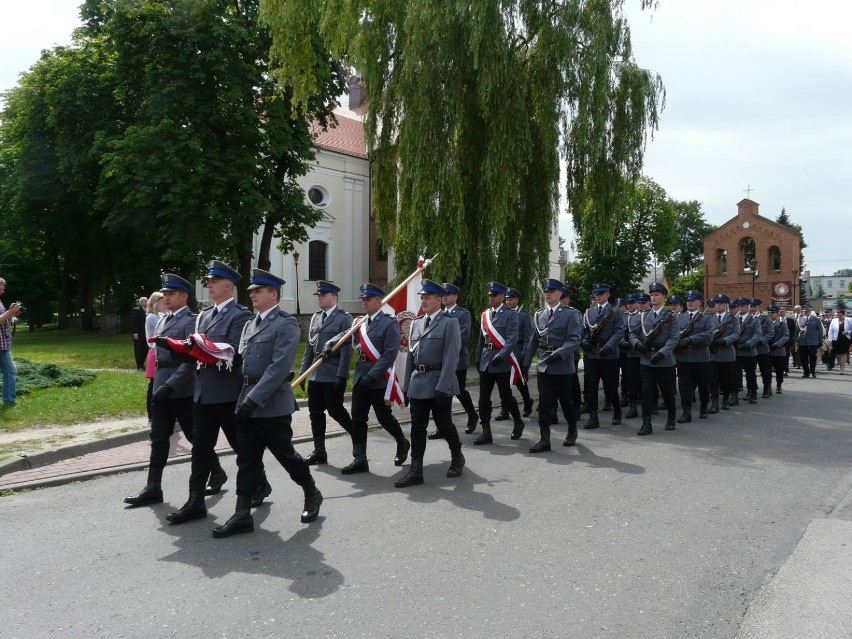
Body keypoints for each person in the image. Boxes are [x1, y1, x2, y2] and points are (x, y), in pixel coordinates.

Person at [213, 269, 322, 538]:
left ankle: (311, 491)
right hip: (246, 398)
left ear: (273, 294)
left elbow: (278, 367)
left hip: (271, 403)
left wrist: (254, 398)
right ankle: (241, 515)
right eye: (251, 291)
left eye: (258, 291)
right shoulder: (251, 324)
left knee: (286, 455)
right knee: (247, 459)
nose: (252, 295)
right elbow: (242, 361)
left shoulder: (285, 323)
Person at [164, 262, 257, 525]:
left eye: (214, 281)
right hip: (203, 391)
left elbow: (235, 352)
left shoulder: (240, 315)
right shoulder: (203, 316)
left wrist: (203, 348)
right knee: (200, 449)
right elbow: (195, 349)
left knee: (241, 447)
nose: (209, 285)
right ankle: (195, 502)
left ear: (228, 285)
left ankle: (259, 484)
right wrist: (175, 347)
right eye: (209, 281)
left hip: (227, 392)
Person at [124, 274, 197, 507]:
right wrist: (159, 386)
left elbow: (190, 361)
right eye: (164, 294)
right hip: (161, 385)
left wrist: (170, 385)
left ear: (184, 296)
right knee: (158, 438)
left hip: (181, 389)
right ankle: (153, 487)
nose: (166, 297)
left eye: (171, 294)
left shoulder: (190, 321)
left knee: (195, 436)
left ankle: (216, 473)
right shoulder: (162, 319)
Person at [332, 283, 410, 473]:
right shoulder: (360, 321)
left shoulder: (389, 323)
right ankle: (360, 458)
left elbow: (389, 354)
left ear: (378, 301)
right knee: (358, 419)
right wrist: (330, 343)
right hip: (360, 376)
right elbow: (345, 335)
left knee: (384, 417)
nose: (364, 303)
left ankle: (402, 442)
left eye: (368, 299)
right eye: (363, 299)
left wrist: (372, 376)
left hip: (379, 379)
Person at [396, 280, 464, 487]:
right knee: (417, 427)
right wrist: (406, 386)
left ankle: (457, 457)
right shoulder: (416, 323)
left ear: (438, 299)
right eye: (422, 297)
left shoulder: (449, 322)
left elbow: (452, 356)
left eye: (427, 297)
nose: (423, 301)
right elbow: (410, 357)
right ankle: (416, 469)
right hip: (418, 383)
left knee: (444, 424)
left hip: (439, 383)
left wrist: (443, 387)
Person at [299, 281, 359, 470]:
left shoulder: (344, 318)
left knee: (336, 411)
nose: (320, 298)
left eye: (323, 295)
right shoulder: (316, 318)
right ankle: (319, 451)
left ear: (334, 298)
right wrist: (303, 372)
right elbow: (310, 346)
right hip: (316, 375)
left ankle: (358, 442)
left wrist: (342, 376)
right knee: (315, 413)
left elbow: (347, 349)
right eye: (319, 295)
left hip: (332, 374)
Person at [522, 279, 582, 451]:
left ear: (560, 293)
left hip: (562, 365)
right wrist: (526, 364)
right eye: (546, 291)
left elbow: (574, 339)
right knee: (545, 403)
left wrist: (558, 354)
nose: (547, 293)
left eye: (552, 290)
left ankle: (572, 430)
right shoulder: (539, 314)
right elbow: (534, 341)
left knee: (566, 402)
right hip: (544, 365)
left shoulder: (570, 314)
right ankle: (544, 439)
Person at [473, 281, 523, 444]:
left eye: (495, 295)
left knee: (506, 397)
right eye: (490, 296)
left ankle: (518, 421)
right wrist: (478, 357)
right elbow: (482, 339)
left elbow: (511, 339)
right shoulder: (485, 315)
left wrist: (501, 356)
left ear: (502, 297)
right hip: (486, 362)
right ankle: (486, 431)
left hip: (501, 363)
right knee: (483, 399)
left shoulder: (511, 315)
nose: (491, 298)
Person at [427, 283, 479, 437]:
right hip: (440, 362)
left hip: (457, 360)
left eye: (448, 294)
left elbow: (462, 338)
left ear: (455, 297)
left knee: (460, 391)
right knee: (442, 393)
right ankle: (443, 425)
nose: (444, 297)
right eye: (443, 294)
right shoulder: (438, 314)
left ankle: (472, 414)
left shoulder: (463, 314)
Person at [629, 282, 679, 435]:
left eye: (657, 294)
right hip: (646, 359)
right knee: (646, 392)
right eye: (652, 295)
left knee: (667, 391)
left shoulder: (670, 316)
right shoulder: (643, 315)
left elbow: (674, 338)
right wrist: (638, 345)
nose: (654, 297)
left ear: (664, 297)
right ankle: (646, 424)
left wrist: (662, 353)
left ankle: (671, 418)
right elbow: (632, 334)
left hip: (664, 360)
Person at [581, 284, 624, 429]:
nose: (598, 297)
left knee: (610, 387)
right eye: (596, 294)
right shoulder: (589, 311)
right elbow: (585, 330)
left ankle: (617, 411)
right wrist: (584, 342)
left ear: (607, 295)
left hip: (608, 355)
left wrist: (609, 346)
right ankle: (593, 417)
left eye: (601, 294)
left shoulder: (615, 311)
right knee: (591, 387)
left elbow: (619, 332)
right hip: (592, 354)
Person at [493, 287, 535, 421]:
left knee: (519, 381)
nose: (508, 302)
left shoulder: (523, 315)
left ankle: (527, 400)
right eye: (506, 299)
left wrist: (524, 355)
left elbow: (528, 337)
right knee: (504, 382)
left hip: (517, 351)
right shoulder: (502, 314)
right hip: (504, 351)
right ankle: (504, 409)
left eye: (510, 299)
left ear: (517, 300)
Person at [674, 291, 715, 422]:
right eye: (688, 300)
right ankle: (686, 412)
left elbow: (709, 334)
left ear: (700, 303)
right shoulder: (680, 317)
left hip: (701, 356)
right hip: (683, 356)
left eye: (693, 300)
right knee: (684, 385)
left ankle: (703, 407)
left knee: (703, 385)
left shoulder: (707, 317)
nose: (690, 302)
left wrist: (691, 339)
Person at [707, 294, 741, 412]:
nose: (719, 305)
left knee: (727, 379)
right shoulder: (709, 318)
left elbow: (736, 334)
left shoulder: (732, 318)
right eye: (717, 303)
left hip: (727, 353)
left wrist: (725, 340)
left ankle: (725, 400)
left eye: (721, 303)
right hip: (712, 353)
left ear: (726, 305)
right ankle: (714, 403)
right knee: (713, 379)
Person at [733, 296, 763, 404]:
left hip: (749, 351)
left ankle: (753, 393)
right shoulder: (733, 319)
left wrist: (749, 344)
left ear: (747, 307)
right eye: (738, 306)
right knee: (735, 374)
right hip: (735, 351)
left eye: (743, 306)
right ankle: (734, 395)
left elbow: (757, 334)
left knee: (750, 374)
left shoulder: (754, 320)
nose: (740, 308)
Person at [0, 277, 23, 408]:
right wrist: (10, 311)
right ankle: (9, 401)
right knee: (10, 371)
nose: (2, 291)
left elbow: (4, 321)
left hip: (3, 343)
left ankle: (9, 400)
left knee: (10, 371)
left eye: (3, 288)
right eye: (0, 288)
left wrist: (13, 313)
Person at [620, 295, 643, 419]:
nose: (629, 305)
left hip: (642, 352)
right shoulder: (624, 317)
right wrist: (624, 342)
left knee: (645, 380)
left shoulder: (643, 316)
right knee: (632, 380)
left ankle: (651, 404)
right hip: (630, 353)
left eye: (632, 303)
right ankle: (632, 407)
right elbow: (620, 331)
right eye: (628, 303)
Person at [144, 292, 166, 422]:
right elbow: (164, 329)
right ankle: (151, 414)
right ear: (156, 303)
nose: (165, 304)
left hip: (160, 352)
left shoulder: (159, 316)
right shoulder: (152, 317)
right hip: (155, 351)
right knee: (153, 384)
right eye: (163, 302)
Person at [750, 298, 775, 398]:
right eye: (750, 306)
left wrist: (761, 341)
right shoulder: (746, 318)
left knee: (765, 370)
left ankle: (767, 388)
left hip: (762, 348)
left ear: (759, 307)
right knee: (750, 371)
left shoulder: (765, 318)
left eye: (754, 306)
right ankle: (751, 390)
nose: (752, 308)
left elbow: (770, 333)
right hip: (750, 349)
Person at [767, 306, 790, 393]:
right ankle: (768, 386)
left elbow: (786, 336)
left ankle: (779, 385)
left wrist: (778, 344)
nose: (771, 314)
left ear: (777, 313)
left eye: (773, 313)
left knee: (779, 370)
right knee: (767, 370)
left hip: (778, 350)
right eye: (769, 313)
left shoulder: (782, 323)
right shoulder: (765, 323)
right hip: (767, 350)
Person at [797, 306, 823, 379]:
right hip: (803, 341)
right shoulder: (800, 319)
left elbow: (820, 331)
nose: (806, 312)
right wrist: (796, 341)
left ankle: (813, 370)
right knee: (803, 357)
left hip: (813, 341)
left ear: (810, 311)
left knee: (813, 356)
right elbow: (797, 331)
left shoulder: (816, 319)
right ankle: (806, 372)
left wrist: (820, 341)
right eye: (804, 311)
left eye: (807, 311)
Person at [827, 309, 852, 374]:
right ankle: (840, 365)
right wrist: (830, 340)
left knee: (844, 353)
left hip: (845, 339)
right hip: (836, 339)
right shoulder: (834, 321)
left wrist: (848, 332)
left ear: (844, 315)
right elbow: (830, 331)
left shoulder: (849, 320)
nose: (839, 317)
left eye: (840, 315)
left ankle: (842, 368)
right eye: (838, 315)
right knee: (838, 354)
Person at [131, 297, 149, 371]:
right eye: (145, 301)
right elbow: (134, 322)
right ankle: (139, 366)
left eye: (147, 301)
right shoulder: (136, 310)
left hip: (146, 333)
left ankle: (142, 364)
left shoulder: (149, 310)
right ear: (141, 303)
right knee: (139, 350)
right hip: (139, 333)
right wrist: (135, 333)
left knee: (145, 349)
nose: (147, 302)